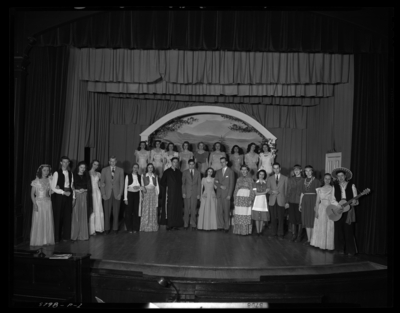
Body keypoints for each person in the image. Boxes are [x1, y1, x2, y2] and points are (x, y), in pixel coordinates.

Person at [330, 167, 359, 256]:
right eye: (338, 176)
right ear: (337, 178)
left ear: (345, 176)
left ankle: (350, 250)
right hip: (338, 209)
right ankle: (339, 249)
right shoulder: (334, 186)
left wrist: (354, 202)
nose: (340, 178)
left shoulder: (352, 185)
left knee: (348, 230)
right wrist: (338, 205)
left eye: (342, 175)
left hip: (348, 210)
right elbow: (332, 199)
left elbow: (356, 199)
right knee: (338, 230)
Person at [30, 164, 55, 246]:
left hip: (48, 202)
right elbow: (32, 194)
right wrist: (34, 204)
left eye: (48, 170)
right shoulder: (36, 181)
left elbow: (50, 192)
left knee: (47, 220)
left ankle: (46, 240)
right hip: (39, 202)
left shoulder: (50, 180)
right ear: (41, 171)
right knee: (39, 221)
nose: (46, 172)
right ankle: (39, 240)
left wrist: (55, 189)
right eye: (44, 170)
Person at [51, 156, 74, 243]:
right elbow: (53, 187)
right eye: (64, 162)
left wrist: (73, 197)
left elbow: (72, 186)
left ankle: (66, 237)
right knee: (58, 216)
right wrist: (63, 192)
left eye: (67, 162)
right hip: (60, 196)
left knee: (67, 216)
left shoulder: (70, 173)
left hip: (68, 195)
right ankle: (56, 237)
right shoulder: (57, 173)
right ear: (61, 163)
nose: (65, 164)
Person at [310, 173, 335, 250]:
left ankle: (328, 245)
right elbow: (317, 201)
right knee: (320, 225)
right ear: (323, 179)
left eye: (329, 179)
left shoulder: (333, 188)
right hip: (321, 208)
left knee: (329, 226)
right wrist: (316, 211)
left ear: (330, 180)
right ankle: (319, 243)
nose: (327, 180)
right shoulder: (319, 189)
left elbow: (334, 200)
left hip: (330, 208)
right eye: (326, 178)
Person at [100, 156, 124, 234]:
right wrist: (103, 194)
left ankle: (115, 228)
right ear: (109, 162)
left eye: (114, 161)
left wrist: (120, 193)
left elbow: (122, 183)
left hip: (117, 193)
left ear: (116, 161)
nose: (112, 163)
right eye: (111, 161)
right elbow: (101, 182)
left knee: (116, 212)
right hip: (107, 194)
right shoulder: (104, 170)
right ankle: (107, 228)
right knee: (107, 212)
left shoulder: (121, 170)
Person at [266, 162, 289, 240]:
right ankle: (273, 233)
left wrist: (286, 202)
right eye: (274, 168)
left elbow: (286, 191)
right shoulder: (269, 178)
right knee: (273, 218)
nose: (276, 169)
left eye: (277, 168)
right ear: (273, 169)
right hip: (272, 200)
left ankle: (280, 233)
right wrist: (272, 192)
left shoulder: (285, 178)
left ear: (280, 168)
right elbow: (267, 189)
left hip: (281, 200)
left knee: (281, 218)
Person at [160, 157, 184, 230]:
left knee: (177, 207)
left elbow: (181, 183)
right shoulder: (167, 171)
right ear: (171, 162)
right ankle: (169, 224)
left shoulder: (179, 172)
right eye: (174, 162)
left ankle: (176, 224)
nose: (175, 163)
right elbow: (162, 182)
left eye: (177, 162)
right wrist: (168, 187)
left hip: (177, 193)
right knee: (170, 207)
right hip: (170, 192)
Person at [71, 161, 92, 241]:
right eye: (81, 167)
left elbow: (89, 187)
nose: (83, 169)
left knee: (83, 214)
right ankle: (74, 234)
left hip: (84, 196)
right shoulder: (73, 175)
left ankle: (82, 235)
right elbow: (71, 186)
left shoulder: (87, 176)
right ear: (78, 167)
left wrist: (84, 190)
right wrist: (76, 190)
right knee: (75, 214)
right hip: (76, 195)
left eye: (84, 167)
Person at [299, 165, 320, 245]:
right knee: (307, 219)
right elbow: (302, 193)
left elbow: (318, 194)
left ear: (312, 171)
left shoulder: (317, 181)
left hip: (313, 200)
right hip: (305, 201)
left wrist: (317, 204)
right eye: (306, 171)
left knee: (313, 219)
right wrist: (300, 204)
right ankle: (308, 239)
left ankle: (313, 239)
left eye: (309, 170)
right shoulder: (303, 181)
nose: (308, 172)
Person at [232, 165, 256, 235]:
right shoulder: (238, 179)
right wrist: (235, 199)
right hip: (239, 198)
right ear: (241, 171)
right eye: (242, 170)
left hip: (247, 197)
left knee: (246, 213)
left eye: (245, 170)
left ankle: (245, 231)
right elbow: (236, 189)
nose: (244, 171)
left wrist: (251, 199)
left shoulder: (251, 179)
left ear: (247, 171)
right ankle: (238, 231)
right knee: (239, 212)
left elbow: (252, 190)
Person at [214, 157, 235, 233]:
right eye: (221, 162)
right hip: (219, 194)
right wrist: (220, 186)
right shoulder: (218, 171)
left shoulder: (230, 172)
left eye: (223, 162)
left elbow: (232, 184)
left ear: (226, 162)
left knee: (226, 211)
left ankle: (226, 227)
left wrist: (229, 195)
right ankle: (220, 226)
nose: (222, 163)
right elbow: (215, 181)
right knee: (219, 211)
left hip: (226, 195)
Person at [124, 163, 144, 233]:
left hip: (137, 195)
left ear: (138, 169)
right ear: (132, 168)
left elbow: (142, 187)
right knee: (129, 212)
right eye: (134, 167)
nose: (135, 169)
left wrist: (139, 189)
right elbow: (125, 188)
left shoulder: (140, 176)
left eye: (137, 167)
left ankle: (135, 228)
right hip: (129, 194)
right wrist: (125, 198)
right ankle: (129, 228)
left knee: (136, 211)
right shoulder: (128, 176)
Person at [140, 163, 160, 232]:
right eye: (149, 167)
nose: (150, 169)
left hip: (153, 193)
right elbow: (142, 185)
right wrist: (143, 193)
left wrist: (157, 194)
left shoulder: (155, 176)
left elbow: (157, 186)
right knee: (146, 208)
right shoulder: (143, 175)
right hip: (146, 193)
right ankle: (145, 225)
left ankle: (152, 226)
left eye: (151, 167)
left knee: (153, 209)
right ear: (147, 168)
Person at [182, 159, 201, 230]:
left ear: (194, 165)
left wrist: (199, 193)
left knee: (194, 209)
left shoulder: (198, 172)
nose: (191, 165)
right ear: (188, 164)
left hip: (195, 193)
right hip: (187, 193)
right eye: (190, 164)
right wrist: (183, 192)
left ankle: (193, 224)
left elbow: (199, 184)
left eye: (193, 164)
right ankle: (186, 224)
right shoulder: (185, 172)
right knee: (186, 209)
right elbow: (183, 184)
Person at [287, 165, 304, 242]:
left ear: (301, 170)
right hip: (291, 201)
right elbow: (288, 191)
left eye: (298, 170)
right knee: (292, 218)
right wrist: (286, 201)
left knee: (299, 219)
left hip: (300, 202)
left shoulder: (304, 180)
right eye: (295, 170)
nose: (296, 171)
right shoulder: (290, 179)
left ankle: (299, 236)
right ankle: (294, 235)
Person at [252, 169, 270, 236]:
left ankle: (261, 231)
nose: (261, 175)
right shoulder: (255, 183)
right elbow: (256, 193)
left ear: (264, 175)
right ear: (258, 175)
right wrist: (264, 192)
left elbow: (269, 190)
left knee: (262, 216)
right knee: (257, 217)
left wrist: (266, 192)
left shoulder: (266, 183)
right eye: (260, 174)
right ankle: (257, 231)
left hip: (263, 201)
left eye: (263, 174)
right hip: (257, 201)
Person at [89, 159, 104, 236]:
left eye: (97, 165)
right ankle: (91, 230)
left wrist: (103, 185)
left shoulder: (98, 174)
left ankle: (98, 228)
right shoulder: (88, 173)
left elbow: (101, 184)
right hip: (91, 192)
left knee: (98, 209)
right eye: (94, 164)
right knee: (93, 209)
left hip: (97, 192)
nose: (96, 166)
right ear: (92, 164)